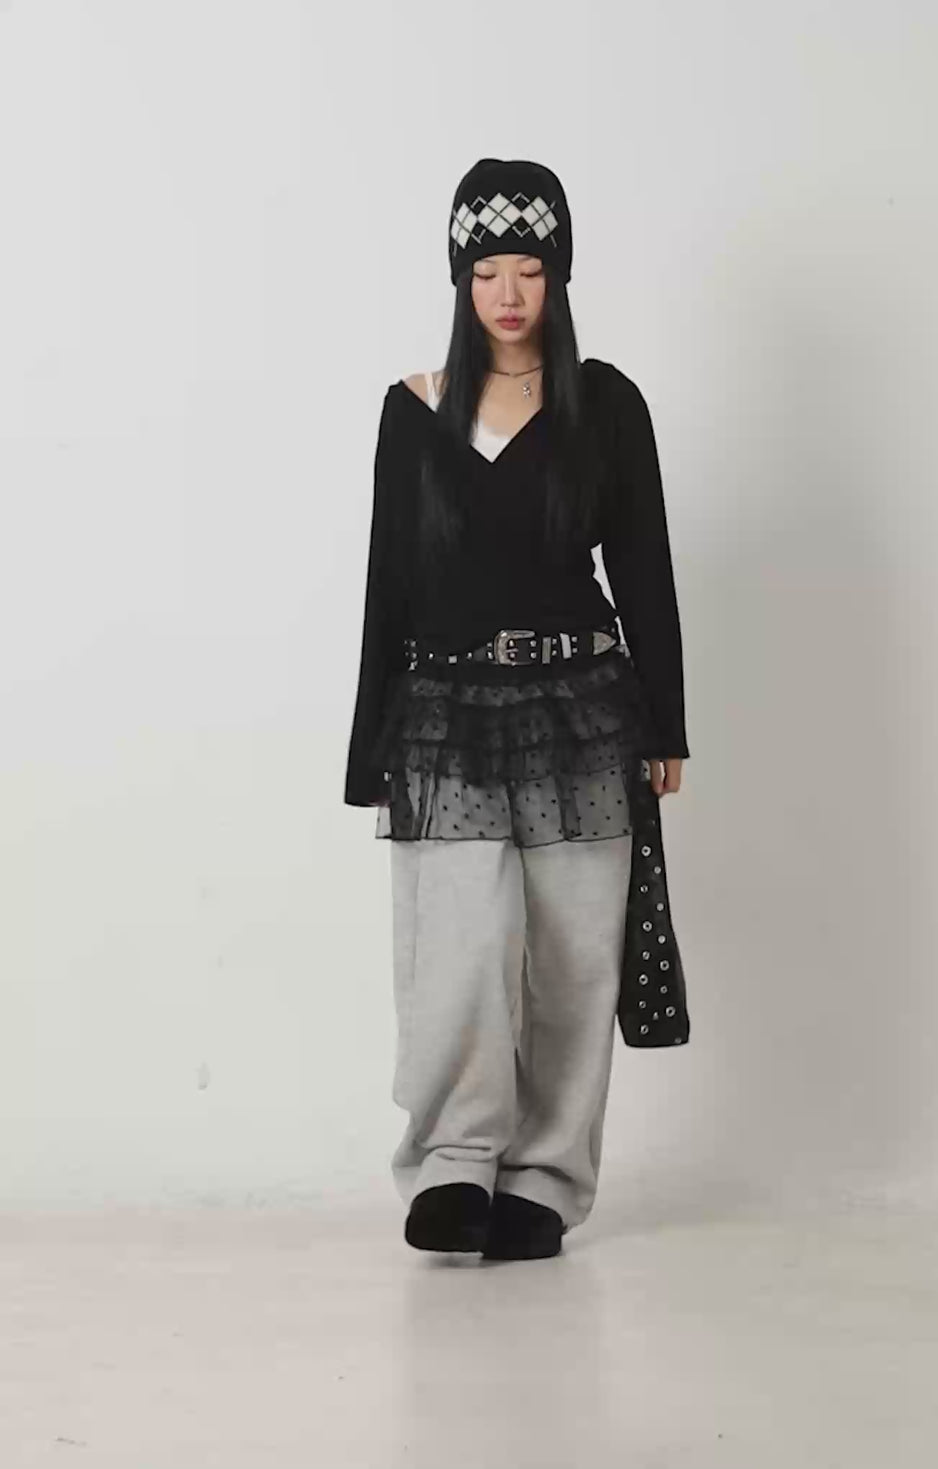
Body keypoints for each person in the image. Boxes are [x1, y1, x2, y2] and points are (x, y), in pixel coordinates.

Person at [344, 157, 690, 1262]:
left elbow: (644, 567)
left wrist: (666, 723)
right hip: (444, 711)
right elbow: (389, 582)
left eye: (528, 269)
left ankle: (544, 1177)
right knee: (457, 949)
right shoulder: (415, 410)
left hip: (582, 708)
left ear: (559, 276)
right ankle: (454, 1163)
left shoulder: (606, 405)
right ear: (459, 278)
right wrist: (368, 746)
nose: (506, 292)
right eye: (486, 269)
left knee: (575, 956)